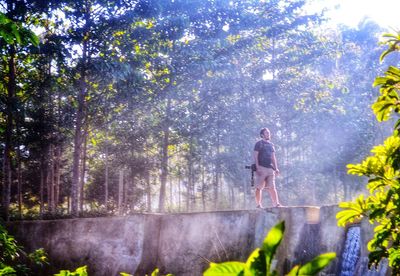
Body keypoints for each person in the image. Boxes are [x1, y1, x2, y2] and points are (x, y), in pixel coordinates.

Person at [253, 127, 281, 208]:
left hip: (270, 169)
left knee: (272, 187)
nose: (268, 134)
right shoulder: (258, 144)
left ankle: (276, 204)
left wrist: (276, 168)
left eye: (269, 132)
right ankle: (258, 204)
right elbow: (255, 155)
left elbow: (273, 157)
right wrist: (258, 167)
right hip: (261, 168)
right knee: (259, 187)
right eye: (266, 133)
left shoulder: (271, 145)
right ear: (262, 135)